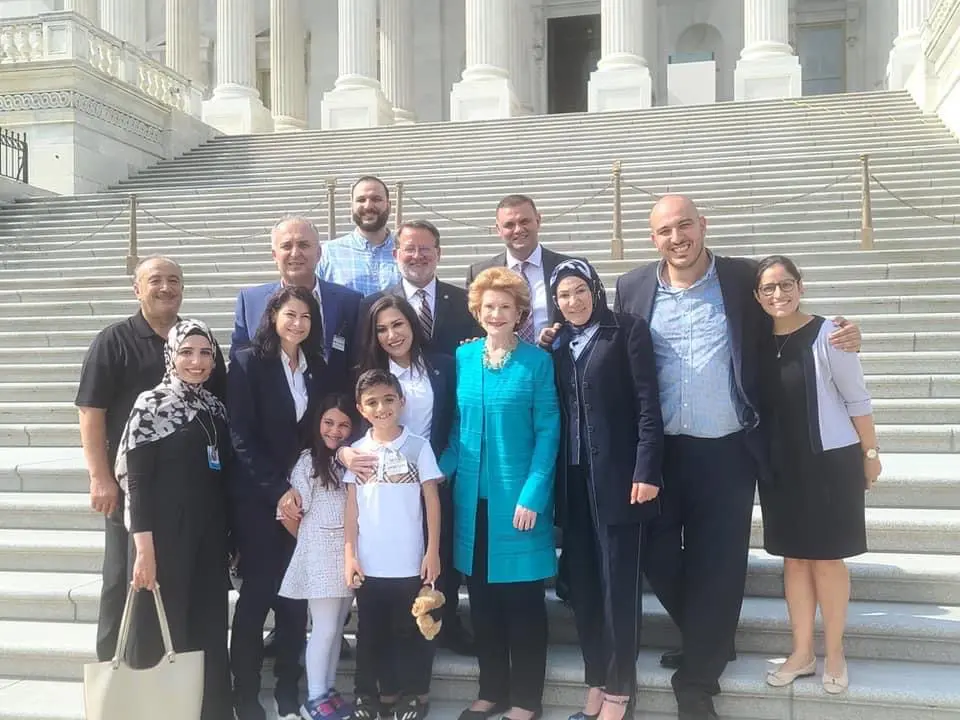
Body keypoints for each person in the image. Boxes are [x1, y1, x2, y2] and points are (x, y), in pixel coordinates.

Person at [611, 195, 861, 720]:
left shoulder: (742, 278)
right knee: (657, 556)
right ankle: (709, 639)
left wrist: (841, 332)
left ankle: (697, 680)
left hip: (727, 450)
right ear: (651, 237)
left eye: (685, 225)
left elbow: (785, 314)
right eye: (664, 231)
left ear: (703, 225)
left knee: (719, 566)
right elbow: (618, 352)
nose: (676, 238)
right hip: (660, 450)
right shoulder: (632, 287)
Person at [75, 255, 226, 663]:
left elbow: (219, 409)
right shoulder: (114, 340)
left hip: (192, 496)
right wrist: (100, 477)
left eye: (174, 280)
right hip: (135, 488)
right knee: (124, 582)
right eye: (155, 280)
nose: (165, 288)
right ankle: (117, 670)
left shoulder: (196, 339)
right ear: (136, 289)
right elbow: (91, 411)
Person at [753, 256, 879, 695]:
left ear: (800, 286)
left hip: (829, 461)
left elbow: (857, 398)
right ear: (757, 296)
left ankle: (836, 650)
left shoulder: (830, 333)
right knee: (794, 559)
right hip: (779, 466)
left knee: (827, 558)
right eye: (767, 288)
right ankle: (803, 651)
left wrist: (871, 452)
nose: (778, 294)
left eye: (785, 285)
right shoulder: (755, 340)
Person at [439, 267, 560, 720]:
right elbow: (456, 429)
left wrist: (534, 493)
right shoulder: (464, 358)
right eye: (488, 306)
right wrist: (435, 472)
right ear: (477, 310)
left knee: (524, 607)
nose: (495, 313)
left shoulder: (536, 362)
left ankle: (526, 700)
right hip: (472, 502)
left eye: (505, 307)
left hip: (519, 502)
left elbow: (549, 431)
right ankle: (491, 690)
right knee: (484, 605)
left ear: (520, 313)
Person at [547, 259, 663, 720]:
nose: (572, 301)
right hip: (573, 482)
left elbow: (648, 405)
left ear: (595, 289)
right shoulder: (557, 344)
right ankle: (596, 677)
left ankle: (620, 691)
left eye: (579, 291)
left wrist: (647, 469)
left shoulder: (626, 331)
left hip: (620, 480)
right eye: (562, 296)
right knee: (585, 587)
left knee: (618, 587)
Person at [116, 319, 233, 720]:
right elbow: (138, 481)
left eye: (205, 353)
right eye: (186, 352)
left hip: (209, 536)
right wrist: (143, 550)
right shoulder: (151, 405)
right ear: (171, 356)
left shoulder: (214, 407)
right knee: (164, 626)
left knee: (208, 626)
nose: (197, 362)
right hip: (164, 536)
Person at [228, 285, 329, 720]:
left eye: (306, 317)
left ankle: (289, 691)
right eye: (291, 314)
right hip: (259, 501)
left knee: (294, 606)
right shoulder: (248, 362)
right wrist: (278, 490)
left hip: (304, 502)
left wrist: (303, 487)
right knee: (254, 604)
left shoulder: (318, 368)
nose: (298, 324)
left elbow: (318, 433)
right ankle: (245, 696)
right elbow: (241, 437)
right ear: (273, 316)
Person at [354, 294, 470, 654]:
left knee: (440, 552)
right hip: (389, 487)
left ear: (412, 324)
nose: (392, 335)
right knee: (401, 557)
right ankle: (401, 634)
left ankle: (445, 622)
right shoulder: (371, 375)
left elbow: (456, 419)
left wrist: (442, 469)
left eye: (398, 324)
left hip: (436, 474)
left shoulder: (443, 365)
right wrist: (345, 452)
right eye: (382, 329)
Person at [344, 369, 443, 720]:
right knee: (370, 633)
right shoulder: (356, 452)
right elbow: (352, 507)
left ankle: (414, 695)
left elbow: (431, 499)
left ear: (401, 402)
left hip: (409, 562)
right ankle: (367, 696)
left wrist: (432, 552)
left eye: (389, 399)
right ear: (361, 409)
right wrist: (351, 555)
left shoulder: (418, 445)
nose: (382, 408)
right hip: (370, 564)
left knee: (410, 632)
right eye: (372, 402)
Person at [278, 394, 360, 720]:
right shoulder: (307, 462)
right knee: (324, 628)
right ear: (318, 423)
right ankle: (313, 699)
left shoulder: (351, 462)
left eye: (343, 424)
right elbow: (288, 515)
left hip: (348, 556)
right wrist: (311, 544)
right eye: (329, 422)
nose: (335, 431)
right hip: (320, 559)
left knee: (337, 626)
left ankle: (327, 690)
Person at [232, 215, 362, 391]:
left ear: (318, 253)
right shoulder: (250, 302)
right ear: (274, 255)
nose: (295, 253)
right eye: (286, 246)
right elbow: (239, 367)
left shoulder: (350, 301)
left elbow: (359, 362)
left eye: (304, 245)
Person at [358, 219, 481, 358]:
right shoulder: (373, 305)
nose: (417, 256)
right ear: (395, 255)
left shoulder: (466, 302)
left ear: (438, 253)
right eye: (410, 249)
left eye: (424, 249)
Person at [466, 194, 575, 343]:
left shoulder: (569, 268)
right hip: (504, 364)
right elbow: (476, 327)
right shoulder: (479, 273)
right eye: (509, 225)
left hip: (558, 362)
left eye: (524, 221)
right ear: (498, 229)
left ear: (538, 221)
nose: (518, 230)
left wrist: (559, 335)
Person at [318, 176, 402, 296]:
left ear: (389, 206)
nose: (368, 206)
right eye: (361, 200)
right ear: (351, 206)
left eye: (376, 199)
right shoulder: (328, 254)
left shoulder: (408, 252)